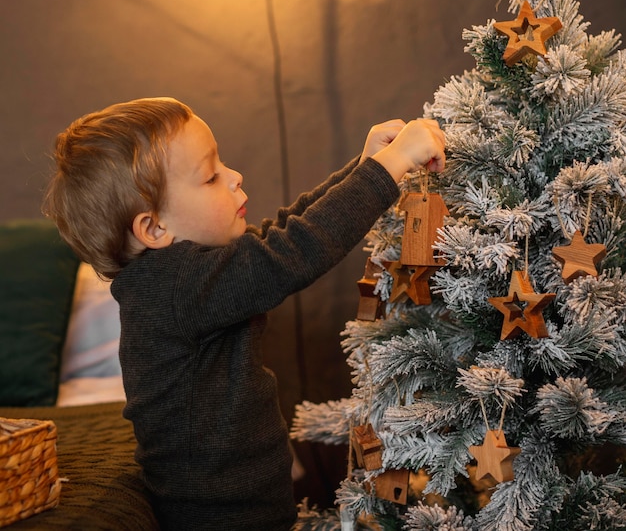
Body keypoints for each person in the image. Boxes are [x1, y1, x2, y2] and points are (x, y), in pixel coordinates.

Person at [43, 97, 445, 530]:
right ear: (155, 228)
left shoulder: (181, 273)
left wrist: (363, 166)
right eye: (211, 176)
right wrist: (389, 166)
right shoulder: (176, 288)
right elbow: (293, 251)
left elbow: (283, 230)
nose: (234, 177)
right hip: (218, 518)